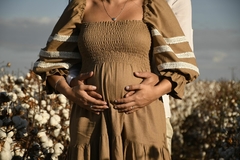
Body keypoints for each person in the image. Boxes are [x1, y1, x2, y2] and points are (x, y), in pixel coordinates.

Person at [33, 0, 199, 159]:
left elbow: (182, 64)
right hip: (90, 117)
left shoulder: (153, 5)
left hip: (141, 114)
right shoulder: (80, 5)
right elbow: (50, 63)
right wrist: (70, 91)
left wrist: (154, 91)